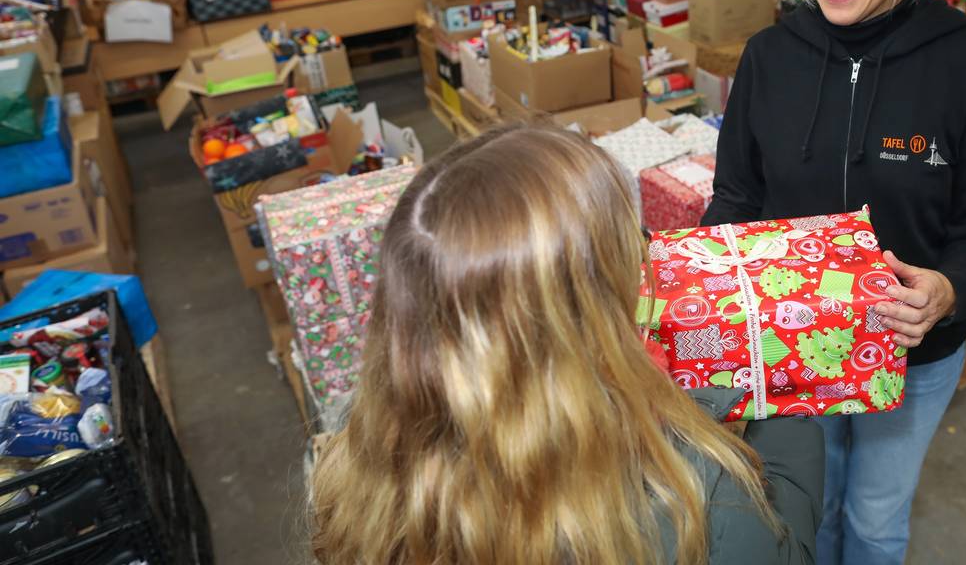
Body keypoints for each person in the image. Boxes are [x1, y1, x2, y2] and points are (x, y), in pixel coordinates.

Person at [702, 0, 966, 565]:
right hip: (791, 346)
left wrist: (949, 290)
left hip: (914, 353)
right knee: (805, 503)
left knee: (875, 519)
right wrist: (704, 280)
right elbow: (736, 195)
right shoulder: (769, 57)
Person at [310, 123, 825, 565]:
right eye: (632, 246)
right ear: (585, 316)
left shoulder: (361, 449)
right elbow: (787, 545)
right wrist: (781, 378)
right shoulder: (697, 502)